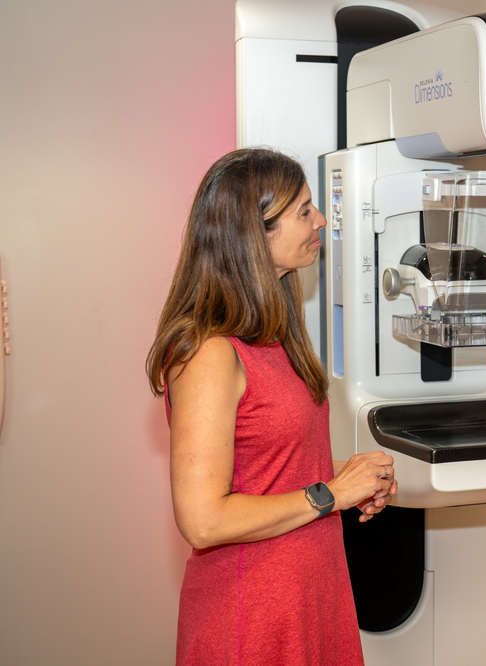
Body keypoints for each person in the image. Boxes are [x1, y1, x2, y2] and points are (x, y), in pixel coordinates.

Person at [146, 148, 397, 666]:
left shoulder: (275, 337)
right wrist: (331, 493)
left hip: (311, 591)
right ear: (255, 235)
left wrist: (353, 481)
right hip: (253, 612)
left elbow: (273, 469)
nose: (320, 220)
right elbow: (203, 520)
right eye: (304, 211)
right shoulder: (209, 352)